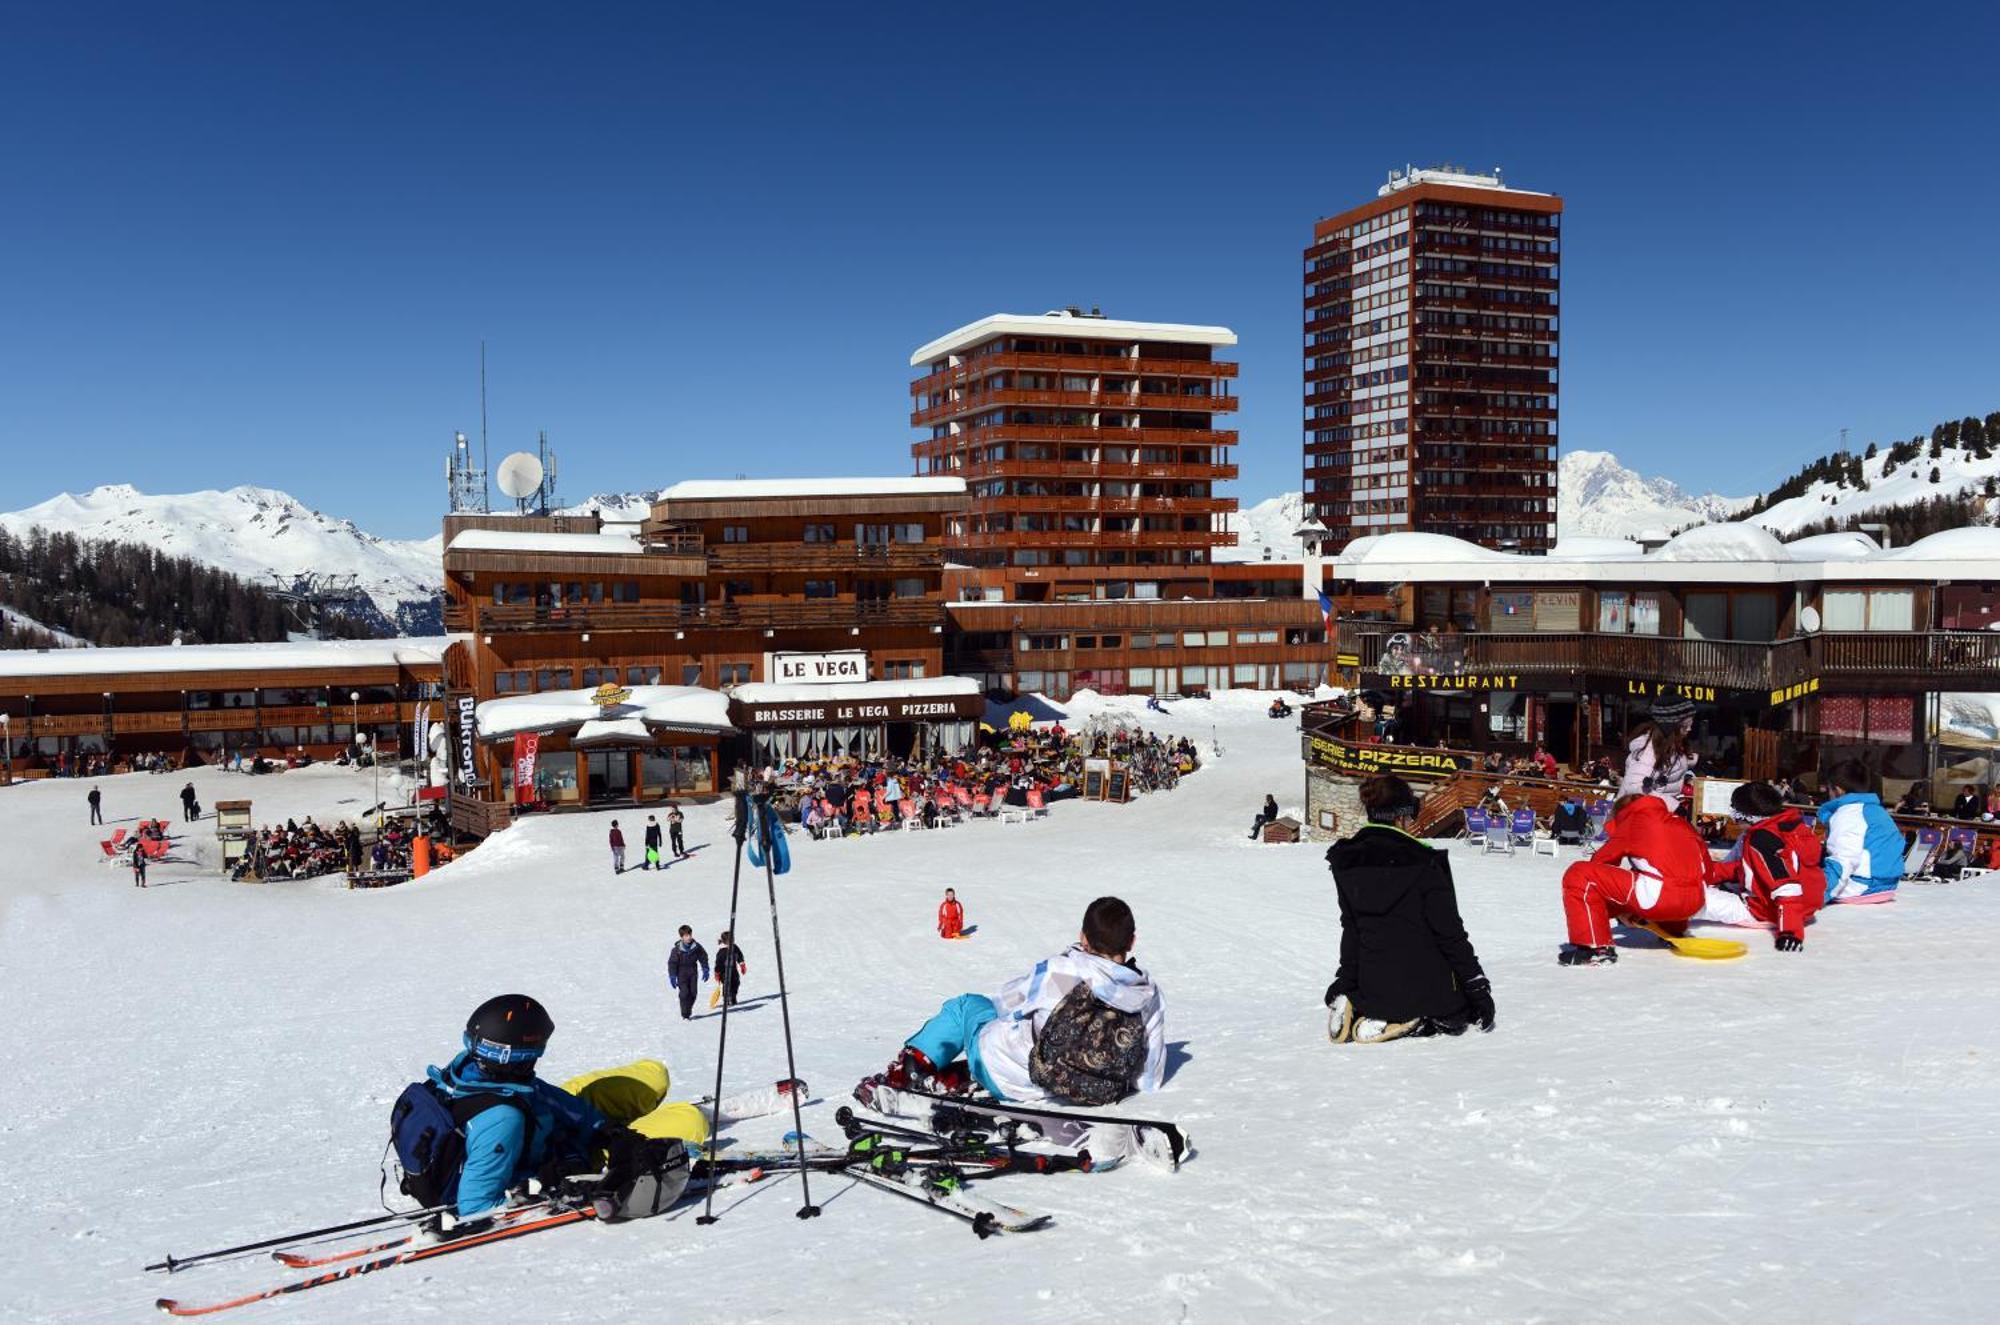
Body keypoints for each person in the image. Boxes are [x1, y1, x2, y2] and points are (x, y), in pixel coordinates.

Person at [855, 896, 1165, 1109]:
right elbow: (1148, 1077)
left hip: (1014, 1076)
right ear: (1132, 941)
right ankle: (955, 1074)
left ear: (1083, 938)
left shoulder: (1063, 972)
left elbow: (1006, 1002)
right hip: (1077, 1091)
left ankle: (906, 1072)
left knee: (967, 1007)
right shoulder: (1147, 996)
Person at [1323, 774, 1494, 1044]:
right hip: (1421, 986)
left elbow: (1352, 929)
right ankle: (1407, 1019)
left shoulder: (1347, 860)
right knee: (1456, 1014)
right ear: (1402, 816)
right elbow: (1449, 933)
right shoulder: (1423, 861)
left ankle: (1360, 1006)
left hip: (1371, 987)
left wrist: (1346, 980)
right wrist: (1476, 988)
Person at [1558, 793, 1714, 966]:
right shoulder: (1682, 823)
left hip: (1659, 899)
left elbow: (1601, 862)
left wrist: (1620, 907)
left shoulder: (1634, 821)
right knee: (1664, 873)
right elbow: (1707, 871)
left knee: (1580, 873)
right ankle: (1672, 930)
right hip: (1694, 902)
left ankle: (1595, 948)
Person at [1699, 781, 1826, 951]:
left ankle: (1660, 910)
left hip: (1767, 910)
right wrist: (1706, 872)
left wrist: (1790, 931)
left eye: (1735, 812)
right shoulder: (1791, 827)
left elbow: (1786, 886)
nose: (1734, 819)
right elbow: (1753, 869)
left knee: (1696, 898)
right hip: (1804, 907)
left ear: (1746, 814)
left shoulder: (1763, 839)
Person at [1816, 759, 1907, 903]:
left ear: (1838, 790)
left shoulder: (1849, 813)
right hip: (1886, 884)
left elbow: (1842, 860)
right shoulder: (1878, 811)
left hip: (1859, 886)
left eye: (1829, 789)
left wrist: (1816, 896)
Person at [1618, 698, 1698, 811]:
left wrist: (1695, 763)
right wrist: (1673, 805)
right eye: (1684, 726)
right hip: (1636, 816)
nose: (1689, 729)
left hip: (1653, 812)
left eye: (1690, 725)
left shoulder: (1671, 745)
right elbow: (1634, 786)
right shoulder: (1649, 751)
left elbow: (1673, 766)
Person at [666, 926, 710, 1021]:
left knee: (693, 993)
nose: (689, 937)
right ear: (681, 937)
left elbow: (703, 957)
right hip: (681, 973)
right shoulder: (677, 950)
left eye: (689, 935)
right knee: (684, 993)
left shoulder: (696, 947)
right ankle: (685, 1014)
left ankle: (688, 1009)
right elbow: (672, 963)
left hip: (693, 973)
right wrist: (672, 976)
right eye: (686, 935)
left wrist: (705, 969)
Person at [713, 930, 747, 1007]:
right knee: (727, 985)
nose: (733, 941)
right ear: (725, 942)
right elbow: (718, 963)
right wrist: (717, 973)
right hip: (724, 972)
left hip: (734, 970)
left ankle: (733, 996)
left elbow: (739, 955)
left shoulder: (734, 947)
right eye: (731, 940)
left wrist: (742, 964)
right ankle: (726, 998)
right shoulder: (722, 952)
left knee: (736, 983)